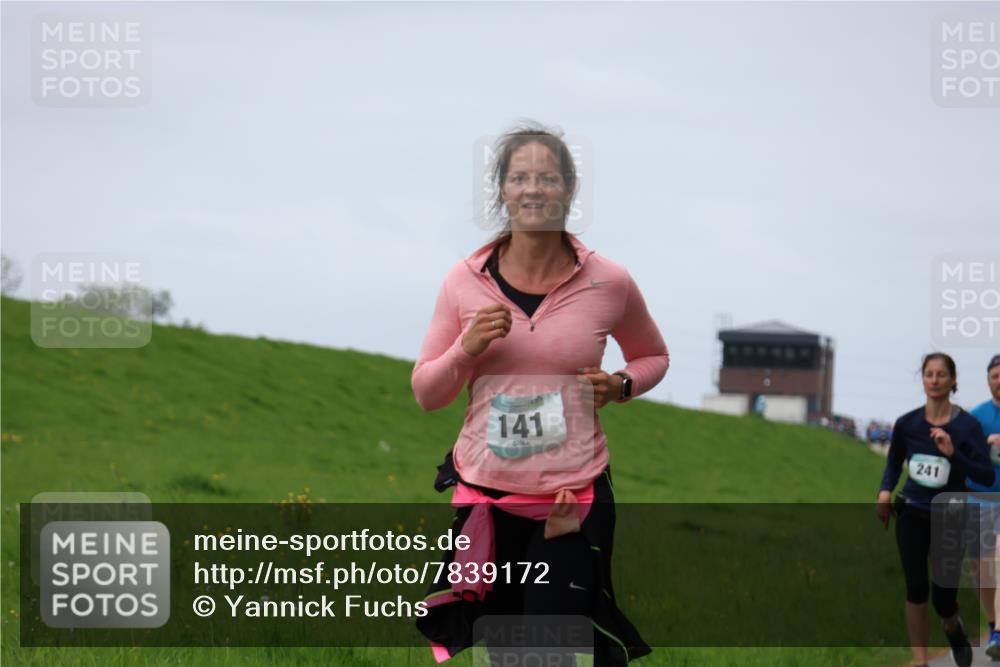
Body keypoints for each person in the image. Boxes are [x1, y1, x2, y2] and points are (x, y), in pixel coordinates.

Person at [411, 122, 669, 666]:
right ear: (502, 189)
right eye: (520, 177)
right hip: (487, 499)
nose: (533, 189)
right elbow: (427, 394)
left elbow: (653, 357)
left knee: (549, 645)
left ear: (569, 189)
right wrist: (465, 348)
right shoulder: (463, 281)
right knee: (507, 652)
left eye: (548, 178)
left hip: (571, 499)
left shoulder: (609, 281)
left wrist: (620, 385)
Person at [876, 352, 994, 667]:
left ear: (953, 380)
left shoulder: (967, 426)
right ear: (923, 379)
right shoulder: (907, 424)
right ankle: (921, 660)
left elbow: (985, 475)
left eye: (941, 375)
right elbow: (893, 463)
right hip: (912, 512)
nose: (934, 380)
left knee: (943, 598)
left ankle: (953, 626)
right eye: (929, 374)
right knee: (915, 587)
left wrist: (954, 454)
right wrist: (885, 491)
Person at [972, 354, 1000, 659]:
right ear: (988, 381)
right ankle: (993, 627)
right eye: (995, 376)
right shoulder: (977, 417)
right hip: (978, 498)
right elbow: (961, 455)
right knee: (981, 570)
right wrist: (986, 444)